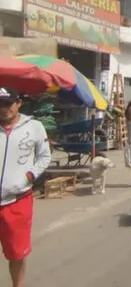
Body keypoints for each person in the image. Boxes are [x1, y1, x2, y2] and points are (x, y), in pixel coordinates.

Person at [0, 87, 51, 287]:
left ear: (19, 103)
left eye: (8, 103)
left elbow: (44, 156)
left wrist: (29, 176)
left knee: (16, 253)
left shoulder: (34, 127)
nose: (4, 109)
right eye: (0, 104)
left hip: (17, 201)